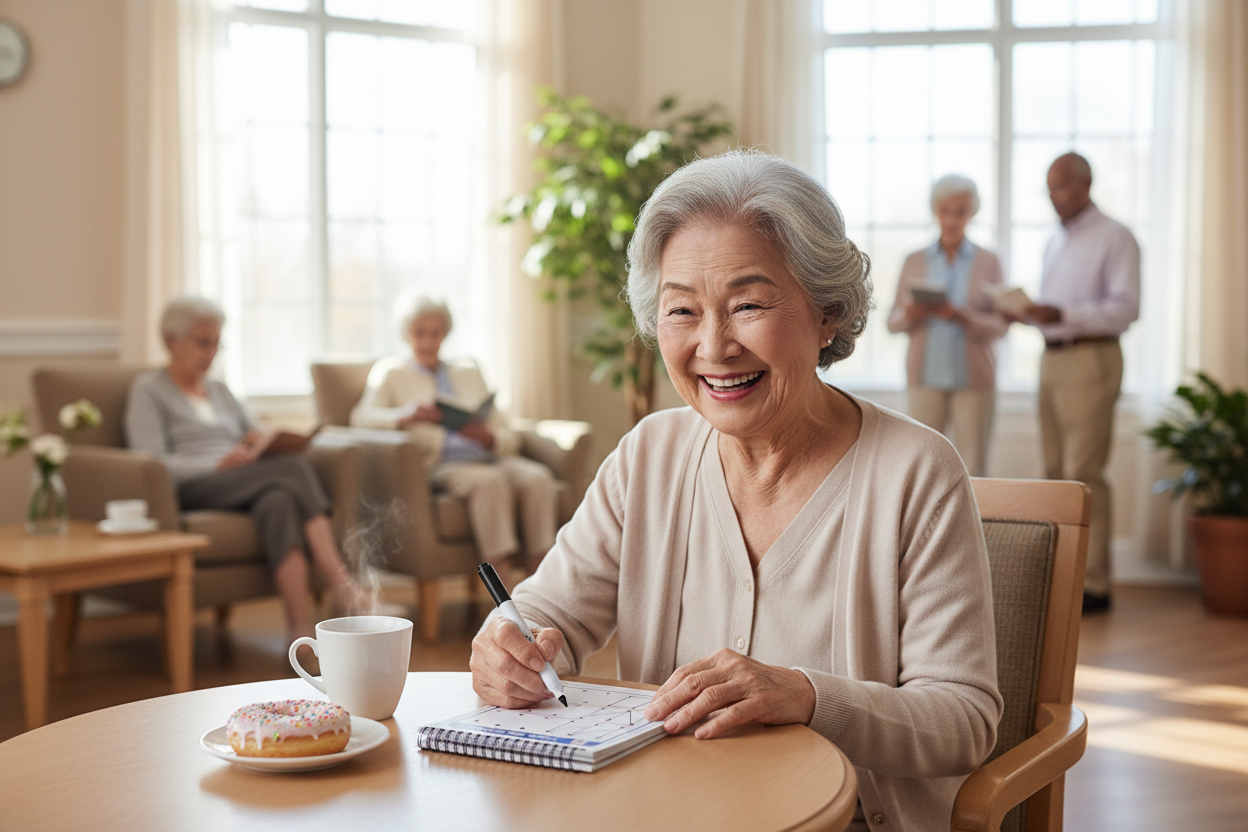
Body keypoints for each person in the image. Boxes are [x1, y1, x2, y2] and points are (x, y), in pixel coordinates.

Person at [469, 151, 1001, 831]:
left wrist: (807, 695)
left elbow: (963, 719)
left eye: (748, 305)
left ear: (827, 312)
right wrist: (505, 648)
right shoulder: (649, 455)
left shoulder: (917, 472)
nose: (714, 346)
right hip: (663, 812)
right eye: (682, 310)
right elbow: (549, 615)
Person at [124, 296, 372, 642]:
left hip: (241, 480)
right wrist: (214, 463)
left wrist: (262, 440)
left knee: (279, 502)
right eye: (203, 342)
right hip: (196, 485)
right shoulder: (149, 391)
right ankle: (341, 582)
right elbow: (150, 461)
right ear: (171, 341)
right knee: (293, 469)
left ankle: (298, 636)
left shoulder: (219, 390)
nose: (211, 352)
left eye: (216, 343)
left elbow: (253, 428)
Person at [349, 296, 558, 577]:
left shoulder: (469, 372)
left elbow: (506, 432)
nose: (427, 342)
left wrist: (490, 438)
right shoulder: (391, 374)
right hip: (441, 463)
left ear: (445, 333)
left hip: (487, 455)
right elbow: (359, 418)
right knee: (489, 483)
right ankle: (502, 592)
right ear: (406, 334)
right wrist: (405, 415)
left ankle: (540, 582)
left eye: (435, 333)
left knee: (538, 478)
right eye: (419, 333)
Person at [1019, 152, 1140, 614]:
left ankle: (1095, 583)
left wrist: (1063, 314)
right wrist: (1034, 314)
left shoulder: (1115, 237)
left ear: (1086, 184)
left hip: (1091, 358)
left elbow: (1126, 309)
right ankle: (1065, 579)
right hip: (1053, 358)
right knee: (1055, 471)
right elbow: (1057, 309)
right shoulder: (1056, 241)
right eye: (1049, 189)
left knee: (1084, 472)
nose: (1054, 198)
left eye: (1062, 187)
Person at [887, 173, 1008, 476]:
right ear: (935, 211)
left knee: (974, 467)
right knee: (925, 468)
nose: (952, 219)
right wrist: (912, 313)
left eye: (961, 211)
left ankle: (973, 526)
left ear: (972, 213)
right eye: (945, 211)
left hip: (975, 381)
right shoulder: (913, 260)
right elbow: (892, 322)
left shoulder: (989, 261)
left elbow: (1001, 325)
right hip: (925, 379)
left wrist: (962, 317)